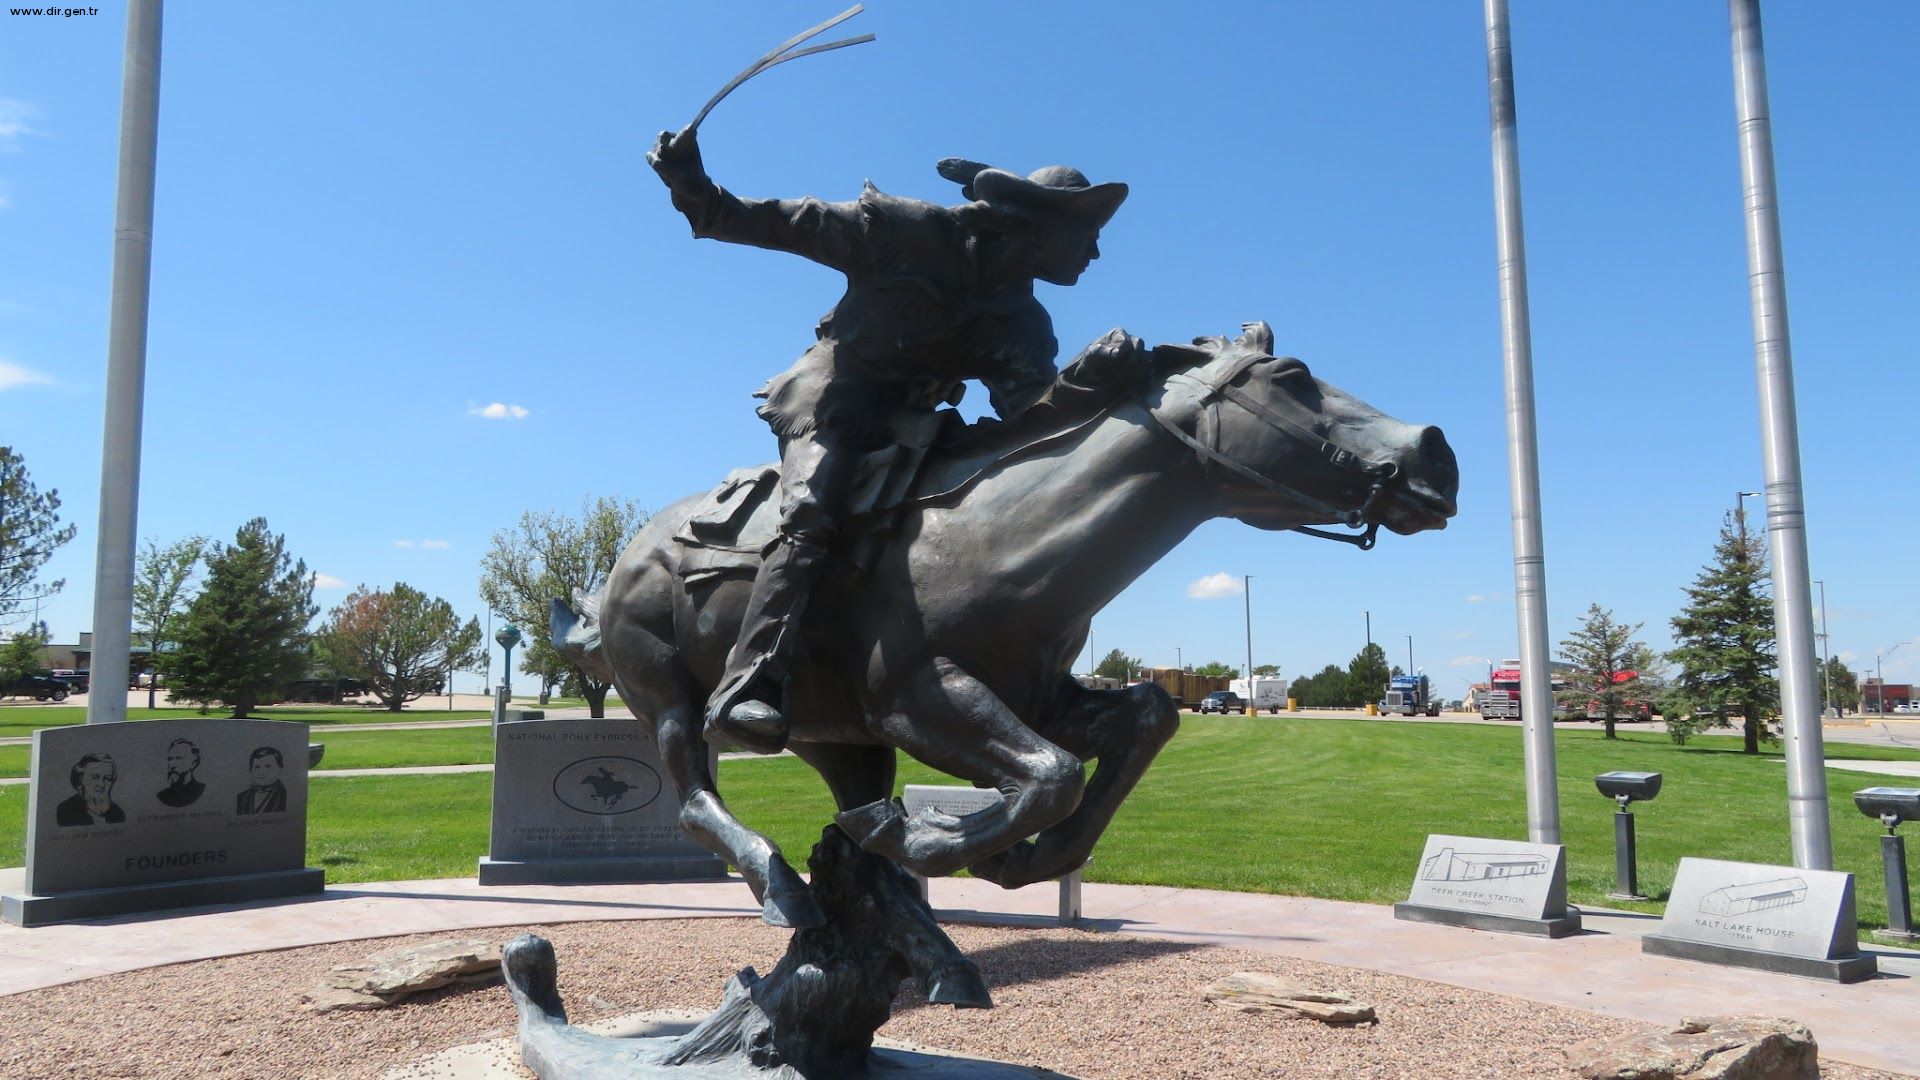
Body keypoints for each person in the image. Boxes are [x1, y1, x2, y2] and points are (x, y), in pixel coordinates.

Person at [647, 125, 1127, 753]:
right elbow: (767, 222)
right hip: (835, 402)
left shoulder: (1023, 324)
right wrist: (691, 183)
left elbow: (1032, 422)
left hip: (916, 425)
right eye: (1089, 235)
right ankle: (750, 681)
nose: (1094, 254)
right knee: (814, 509)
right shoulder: (905, 232)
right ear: (1044, 225)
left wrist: (1098, 380)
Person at [55, 752, 125, 826]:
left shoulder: (117, 812)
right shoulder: (66, 810)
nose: (102, 784)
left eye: (107, 778)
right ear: (80, 780)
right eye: (94, 777)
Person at [235, 746, 287, 814]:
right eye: (257, 767)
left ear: (280, 769)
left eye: (268, 767)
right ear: (251, 770)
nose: (261, 772)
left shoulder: (285, 794)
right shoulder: (242, 797)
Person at [155, 738, 205, 807]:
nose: (172, 764)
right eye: (170, 759)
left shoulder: (201, 789)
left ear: (193, 764)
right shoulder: (162, 795)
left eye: (179, 758)